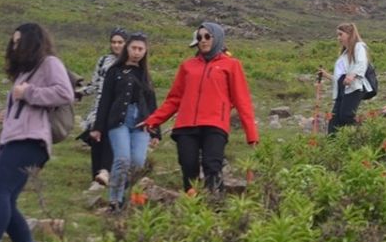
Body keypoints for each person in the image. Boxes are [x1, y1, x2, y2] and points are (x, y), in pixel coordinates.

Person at [0, 23, 75, 242]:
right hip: (17, 138)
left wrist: (28, 93)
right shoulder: (24, 72)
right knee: (7, 199)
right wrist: (8, 114)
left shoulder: (50, 63)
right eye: (13, 42)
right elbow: (24, 105)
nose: (14, 46)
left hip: (30, 140)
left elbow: (65, 93)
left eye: (18, 41)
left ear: (32, 41)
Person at [142, 22, 258, 193]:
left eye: (207, 36)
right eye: (199, 37)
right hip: (186, 125)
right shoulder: (187, 66)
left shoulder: (231, 65)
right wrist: (152, 121)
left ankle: (214, 204)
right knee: (188, 165)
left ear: (217, 38)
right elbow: (174, 99)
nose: (202, 41)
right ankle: (192, 205)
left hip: (215, 124)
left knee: (212, 164)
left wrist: (252, 134)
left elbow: (242, 101)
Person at [89, 33, 160, 210]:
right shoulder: (115, 71)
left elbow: (152, 103)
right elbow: (105, 99)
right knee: (122, 159)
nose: (136, 52)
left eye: (140, 49)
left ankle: (127, 195)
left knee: (137, 162)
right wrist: (98, 127)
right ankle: (115, 201)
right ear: (127, 48)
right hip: (119, 120)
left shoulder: (145, 74)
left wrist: (155, 130)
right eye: (133, 48)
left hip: (141, 122)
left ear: (145, 51)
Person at [80, 28, 125, 189]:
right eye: (114, 42)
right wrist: (79, 93)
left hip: (118, 106)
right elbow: (95, 83)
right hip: (99, 105)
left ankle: (106, 173)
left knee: (109, 138)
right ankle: (96, 177)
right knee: (96, 138)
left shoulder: (130, 61)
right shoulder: (103, 60)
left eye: (120, 42)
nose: (116, 45)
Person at [324, 22, 372, 134]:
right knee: (334, 119)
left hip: (354, 88)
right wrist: (327, 76)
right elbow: (340, 77)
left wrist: (351, 76)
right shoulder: (344, 54)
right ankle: (332, 145)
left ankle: (363, 134)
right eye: (338, 35)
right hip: (342, 89)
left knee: (346, 116)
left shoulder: (359, 46)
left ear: (349, 34)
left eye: (341, 34)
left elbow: (361, 63)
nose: (338, 38)